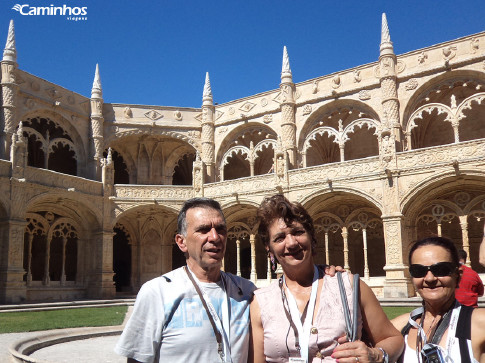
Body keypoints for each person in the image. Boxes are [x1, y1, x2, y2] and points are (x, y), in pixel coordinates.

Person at [249, 194, 404, 363]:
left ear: (312, 239)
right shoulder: (261, 303)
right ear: (269, 249)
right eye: (280, 238)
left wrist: (376, 355)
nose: (292, 243)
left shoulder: (348, 285)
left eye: (298, 232)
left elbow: (393, 339)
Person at [114, 197, 257, 363]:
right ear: (181, 242)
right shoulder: (157, 292)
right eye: (203, 230)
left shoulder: (246, 291)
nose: (215, 237)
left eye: (221, 229)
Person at [391, 236, 485, 362]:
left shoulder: (479, 323)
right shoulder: (399, 327)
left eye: (441, 269)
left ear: (458, 275)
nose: (430, 278)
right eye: (419, 271)